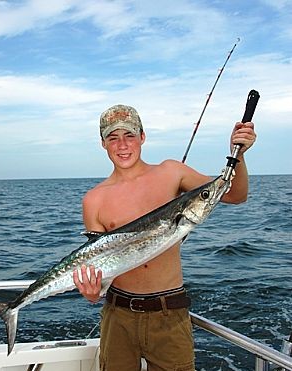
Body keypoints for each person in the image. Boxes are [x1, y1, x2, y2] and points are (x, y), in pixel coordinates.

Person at [73, 104, 256, 371]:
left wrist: (238, 155)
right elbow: (97, 266)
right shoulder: (94, 200)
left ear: (143, 137)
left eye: (130, 135)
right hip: (117, 316)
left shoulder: (171, 172)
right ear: (103, 143)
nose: (122, 145)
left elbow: (234, 195)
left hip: (169, 312)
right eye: (113, 137)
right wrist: (91, 292)